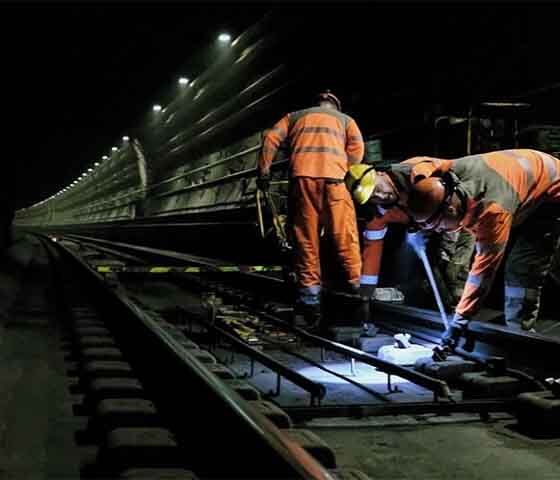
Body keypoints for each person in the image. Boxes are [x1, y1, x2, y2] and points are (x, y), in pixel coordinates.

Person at [345, 149, 560, 351]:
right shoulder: (442, 190)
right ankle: (516, 336)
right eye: (373, 197)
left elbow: (483, 272)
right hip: (512, 188)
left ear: (380, 173)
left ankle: (522, 342)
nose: (380, 196)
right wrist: (365, 296)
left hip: (551, 192)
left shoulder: (491, 210)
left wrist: (461, 320)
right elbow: (377, 245)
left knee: (522, 268)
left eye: (377, 189)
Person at [257, 90, 364, 328]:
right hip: (335, 182)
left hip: (302, 181)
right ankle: (359, 293)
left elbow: (271, 138)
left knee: (306, 240)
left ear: (316, 103)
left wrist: (264, 171)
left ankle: (310, 302)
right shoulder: (346, 120)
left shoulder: (294, 117)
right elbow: (357, 151)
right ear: (335, 105)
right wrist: (343, 168)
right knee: (345, 236)